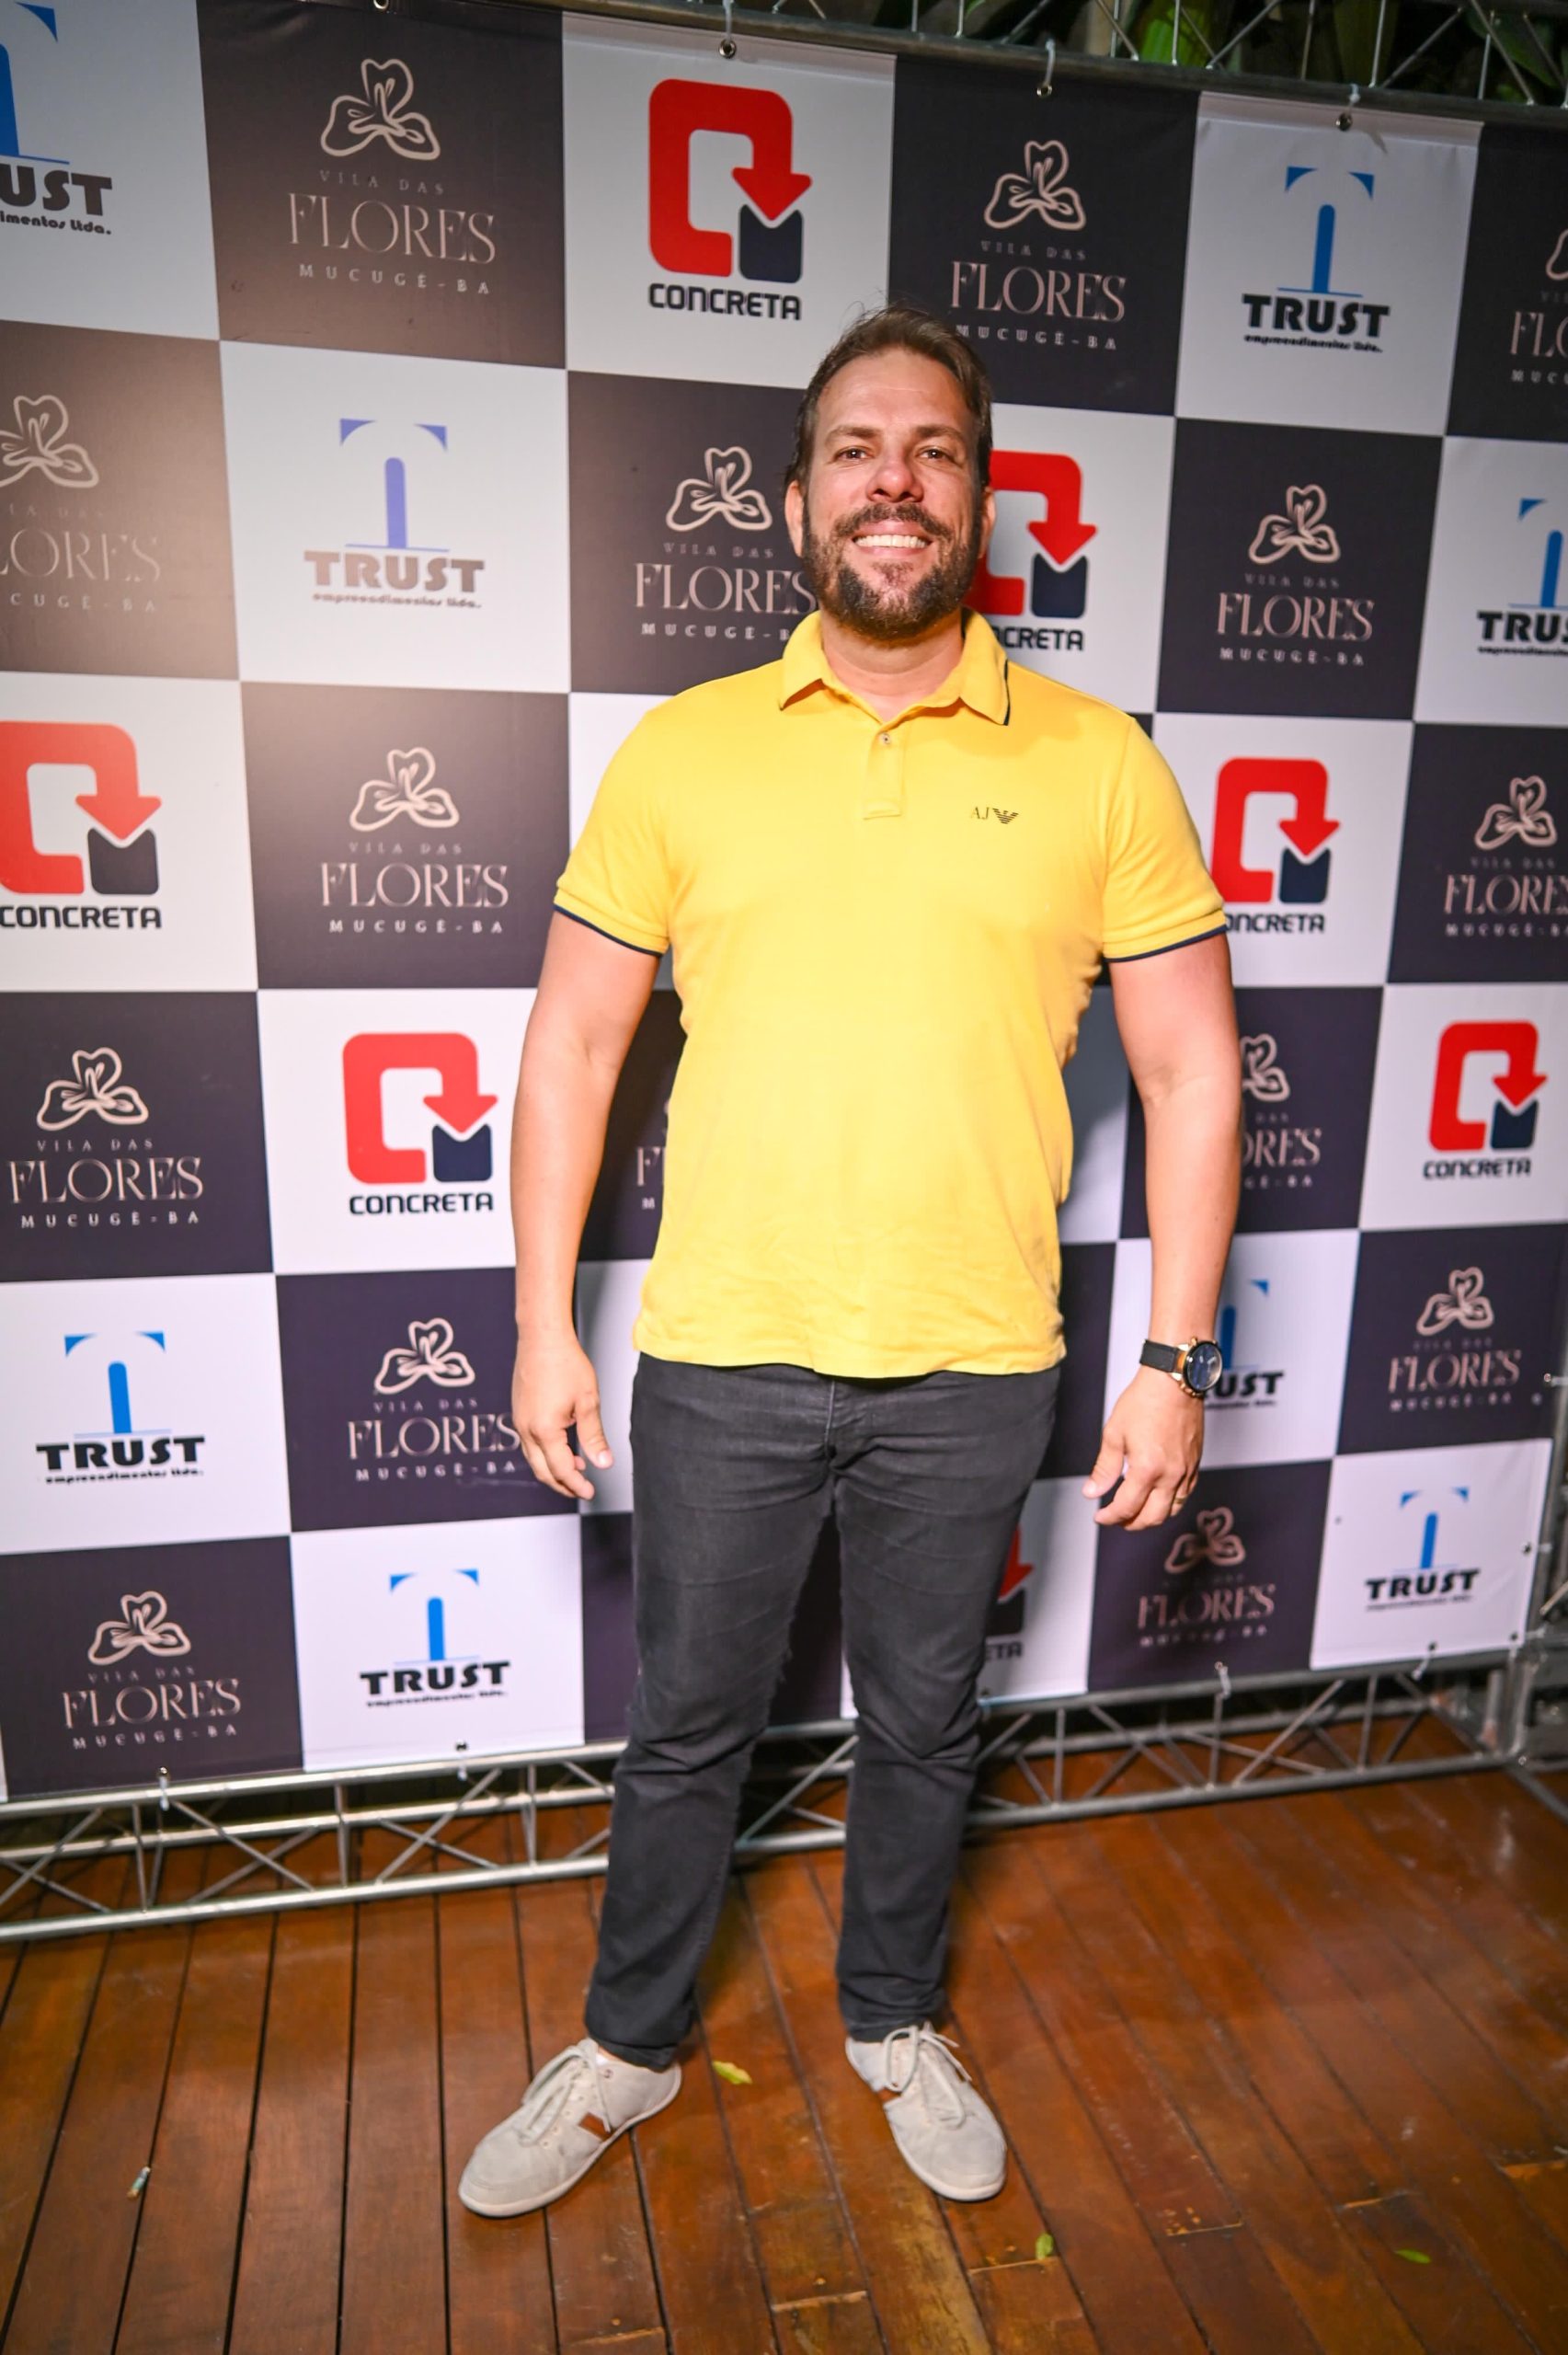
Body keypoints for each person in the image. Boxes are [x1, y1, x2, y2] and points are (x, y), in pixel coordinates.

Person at [460, 305, 1241, 2219]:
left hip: (975, 1359)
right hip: (725, 1346)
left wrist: (1173, 1358)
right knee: (685, 1732)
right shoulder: (686, 748)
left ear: (982, 493)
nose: (895, 481)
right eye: (855, 450)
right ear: (797, 500)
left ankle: (893, 2018)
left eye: (933, 448)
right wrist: (540, 1318)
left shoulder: (1100, 763)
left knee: (924, 1724)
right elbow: (570, 1048)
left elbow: (1191, 1070)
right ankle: (631, 2041)